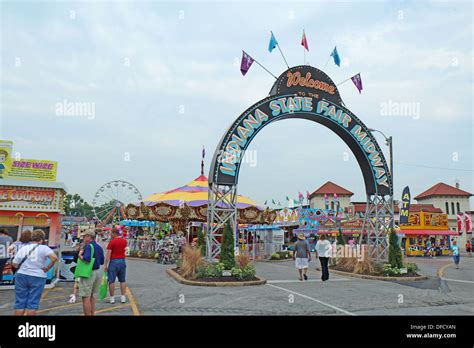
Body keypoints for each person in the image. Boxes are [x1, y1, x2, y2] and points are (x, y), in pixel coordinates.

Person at [12, 229, 58, 315]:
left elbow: (14, 264)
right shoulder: (44, 248)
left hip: (22, 275)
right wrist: (47, 268)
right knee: (32, 304)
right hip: (38, 276)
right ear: (42, 239)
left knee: (20, 303)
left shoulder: (24, 248)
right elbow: (54, 258)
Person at [77, 229, 104, 316]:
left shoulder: (89, 246)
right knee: (92, 296)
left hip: (89, 273)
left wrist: (80, 255)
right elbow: (102, 261)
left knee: (86, 297)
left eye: (84, 237)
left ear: (89, 237)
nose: (83, 238)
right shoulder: (99, 247)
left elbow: (87, 259)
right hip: (98, 272)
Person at [104, 228, 128, 304]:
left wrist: (105, 265)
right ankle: (123, 297)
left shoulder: (112, 242)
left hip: (114, 261)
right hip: (122, 260)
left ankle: (112, 298)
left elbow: (108, 254)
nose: (110, 234)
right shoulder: (124, 241)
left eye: (111, 233)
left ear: (114, 233)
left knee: (111, 280)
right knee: (122, 280)